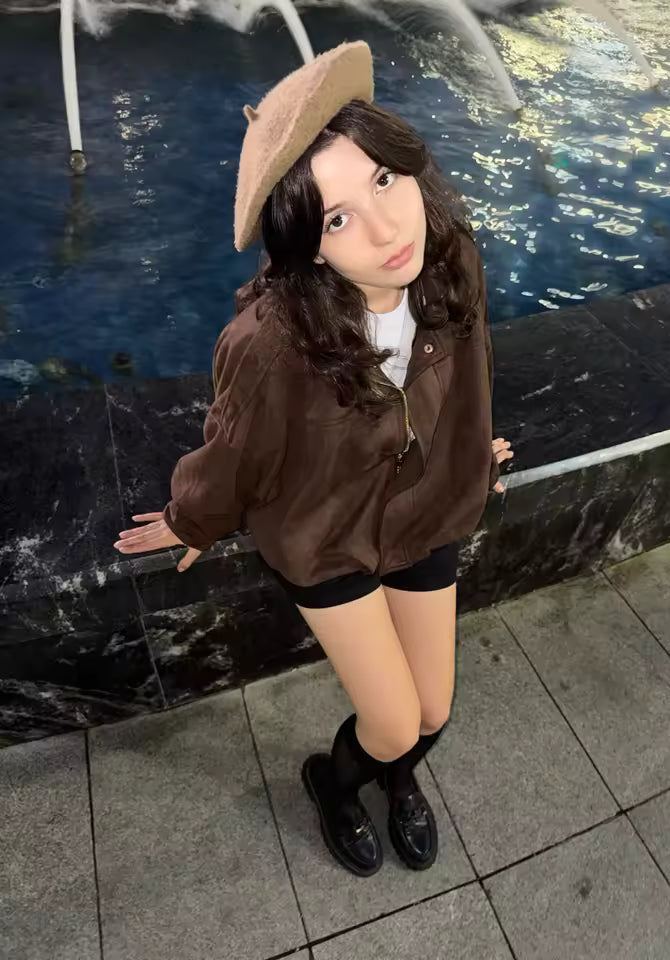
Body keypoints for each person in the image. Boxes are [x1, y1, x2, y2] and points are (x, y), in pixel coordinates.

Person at [113, 41, 512, 878]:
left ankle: (394, 775)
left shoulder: (451, 258)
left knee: (431, 711)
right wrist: (193, 518)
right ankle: (336, 785)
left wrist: (471, 452)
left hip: (425, 508)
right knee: (392, 720)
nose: (386, 228)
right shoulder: (272, 342)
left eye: (384, 179)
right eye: (337, 218)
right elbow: (234, 448)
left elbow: (472, 374)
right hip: (325, 534)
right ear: (311, 244)